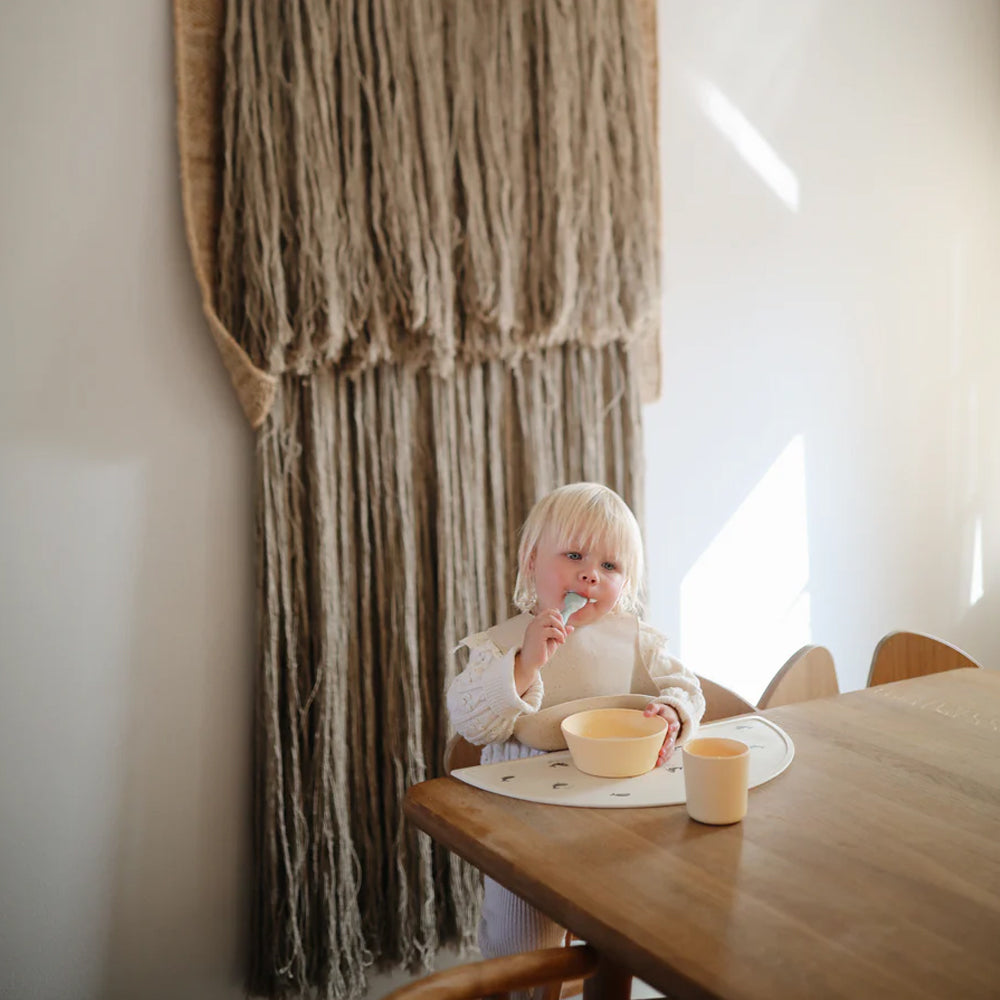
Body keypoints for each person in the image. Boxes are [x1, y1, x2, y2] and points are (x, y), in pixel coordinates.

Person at [446, 481, 705, 965]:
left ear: (625, 583)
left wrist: (672, 710)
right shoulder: (504, 643)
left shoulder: (636, 640)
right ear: (531, 561)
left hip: (613, 816)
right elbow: (468, 719)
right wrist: (523, 666)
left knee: (619, 934)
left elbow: (687, 687)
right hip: (525, 822)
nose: (591, 576)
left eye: (609, 566)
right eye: (574, 556)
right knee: (522, 946)